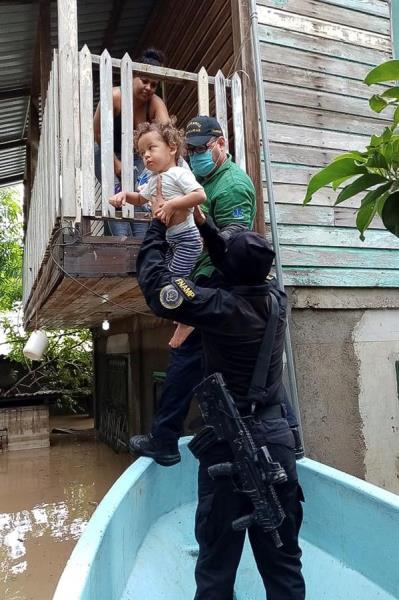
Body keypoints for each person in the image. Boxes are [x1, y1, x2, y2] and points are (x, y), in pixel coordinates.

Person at [135, 207, 306, 600]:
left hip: (231, 443)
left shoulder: (221, 308)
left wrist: (157, 227)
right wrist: (203, 225)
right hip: (276, 441)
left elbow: (157, 285)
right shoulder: (277, 298)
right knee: (283, 563)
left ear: (229, 269)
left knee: (216, 566)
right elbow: (234, 268)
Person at [129, 115, 259, 466]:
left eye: (204, 148)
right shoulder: (197, 177)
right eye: (194, 149)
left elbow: (230, 249)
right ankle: (182, 438)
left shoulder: (231, 186)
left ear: (222, 145)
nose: (198, 155)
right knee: (203, 363)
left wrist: (196, 308)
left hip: (218, 284)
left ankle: (166, 440)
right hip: (204, 280)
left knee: (187, 357)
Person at [109, 119, 205, 346]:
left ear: (172, 148)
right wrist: (124, 196)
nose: (146, 156)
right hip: (172, 240)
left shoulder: (179, 173)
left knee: (172, 281)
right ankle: (183, 317)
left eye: (152, 148)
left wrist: (173, 205)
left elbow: (200, 196)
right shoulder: (152, 180)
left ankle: (187, 321)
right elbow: (141, 198)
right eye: (142, 152)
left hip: (187, 240)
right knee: (166, 280)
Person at [93, 48, 169, 236]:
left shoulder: (154, 102)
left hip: (137, 156)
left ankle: (141, 242)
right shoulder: (115, 96)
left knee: (141, 196)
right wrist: (116, 164)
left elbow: (167, 134)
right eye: (144, 81)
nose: (149, 88)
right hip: (105, 151)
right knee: (117, 196)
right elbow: (98, 134)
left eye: (154, 84)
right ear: (133, 76)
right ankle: (121, 239)